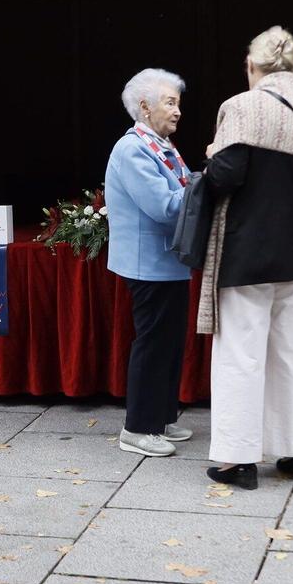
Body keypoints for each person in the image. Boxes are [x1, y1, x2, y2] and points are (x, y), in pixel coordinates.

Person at [198, 27, 293, 489]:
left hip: (246, 252)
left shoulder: (242, 107)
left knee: (240, 355)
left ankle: (237, 461)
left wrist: (210, 155)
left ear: (251, 66)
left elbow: (225, 176)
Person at [104, 68, 193, 458]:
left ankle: (162, 416)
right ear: (144, 107)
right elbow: (165, 207)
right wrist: (208, 188)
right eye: (169, 103)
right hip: (149, 265)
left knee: (170, 343)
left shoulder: (160, 145)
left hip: (168, 262)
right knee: (154, 343)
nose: (177, 112)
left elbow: (184, 190)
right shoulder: (133, 149)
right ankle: (138, 428)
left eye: (178, 103)